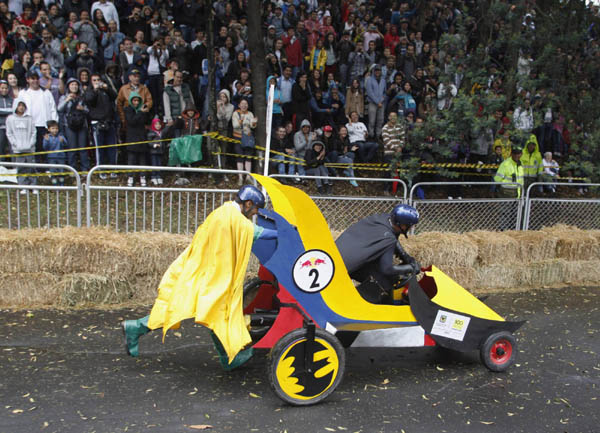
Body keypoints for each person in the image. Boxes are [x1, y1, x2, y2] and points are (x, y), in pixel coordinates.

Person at [121, 185, 277, 370]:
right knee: (216, 311)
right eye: (255, 210)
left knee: (189, 308)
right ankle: (229, 358)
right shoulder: (233, 217)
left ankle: (135, 328)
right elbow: (256, 232)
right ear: (248, 203)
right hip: (209, 275)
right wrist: (283, 233)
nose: (254, 214)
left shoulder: (225, 210)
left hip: (202, 270)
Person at [336, 204, 421, 304]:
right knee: (384, 282)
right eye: (409, 225)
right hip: (344, 268)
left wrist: (406, 257)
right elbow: (387, 269)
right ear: (402, 225)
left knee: (378, 271)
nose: (410, 227)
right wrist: (411, 267)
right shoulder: (388, 239)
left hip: (336, 257)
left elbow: (392, 239)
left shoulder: (381, 219)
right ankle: (364, 306)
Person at [19, 71, 58, 163]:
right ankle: (34, 168)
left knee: (45, 147)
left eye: (37, 78)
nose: (35, 81)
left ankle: (47, 168)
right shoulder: (23, 93)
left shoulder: (46, 92)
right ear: (27, 80)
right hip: (29, 125)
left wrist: (54, 124)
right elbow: (19, 110)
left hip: (44, 125)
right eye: (32, 79)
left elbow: (53, 108)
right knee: (32, 148)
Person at [85, 73, 117, 176]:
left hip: (109, 121)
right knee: (100, 149)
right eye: (94, 80)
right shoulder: (89, 91)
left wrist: (107, 88)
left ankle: (113, 169)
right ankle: (101, 170)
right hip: (97, 123)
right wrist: (95, 90)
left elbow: (114, 96)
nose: (97, 82)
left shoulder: (105, 91)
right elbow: (89, 100)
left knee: (112, 147)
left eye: (98, 79)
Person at [57, 78, 90, 173]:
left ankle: (85, 168)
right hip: (69, 125)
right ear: (68, 86)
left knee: (83, 148)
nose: (74, 86)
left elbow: (88, 111)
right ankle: (73, 169)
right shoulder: (64, 97)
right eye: (72, 85)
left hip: (81, 125)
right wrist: (67, 100)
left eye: (76, 85)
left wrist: (82, 108)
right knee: (72, 148)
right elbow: (59, 109)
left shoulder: (82, 97)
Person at [6, 98, 37, 194]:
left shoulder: (29, 118)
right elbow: (9, 133)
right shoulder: (10, 119)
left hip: (29, 149)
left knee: (31, 167)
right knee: (21, 168)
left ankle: (33, 186)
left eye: (23, 106)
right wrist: (15, 143)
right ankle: (23, 186)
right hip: (18, 149)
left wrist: (31, 143)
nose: (21, 108)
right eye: (19, 105)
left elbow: (33, 132)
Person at [124, 91, 150, 186]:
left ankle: (142, 176)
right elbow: (131, 121)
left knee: (142, 158)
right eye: (134, 100)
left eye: (138, 100)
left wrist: (145, 112)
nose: (136, 103)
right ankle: (130, 177)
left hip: (142, 137)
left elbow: (146, 121)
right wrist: (140, 112)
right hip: (132, 137)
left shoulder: (142, 110)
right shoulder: (128, 109)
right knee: (131, 158)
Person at [42, 120, 67, 185]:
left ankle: (62, 183)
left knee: (61, 170)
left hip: (61, 156)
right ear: (48, 129)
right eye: (53, 128)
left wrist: (62, 142)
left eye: (56, 128)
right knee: (53, 170)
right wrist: (47, 141)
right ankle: (54, 183)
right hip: (51, 157)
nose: (55, 130)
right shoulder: (47, 137)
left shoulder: (61, 136)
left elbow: (66, 145)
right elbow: (45, 148)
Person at [0, 80, 14, 157]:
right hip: (0, 127)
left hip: (11, 128)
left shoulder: (11, 100)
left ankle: (14, 167)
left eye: (6, 88)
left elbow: (14, 111)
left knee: (12, 148)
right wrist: (8, 111)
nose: (4, 90)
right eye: (2, 88)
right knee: (0, 148)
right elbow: (10, 111)